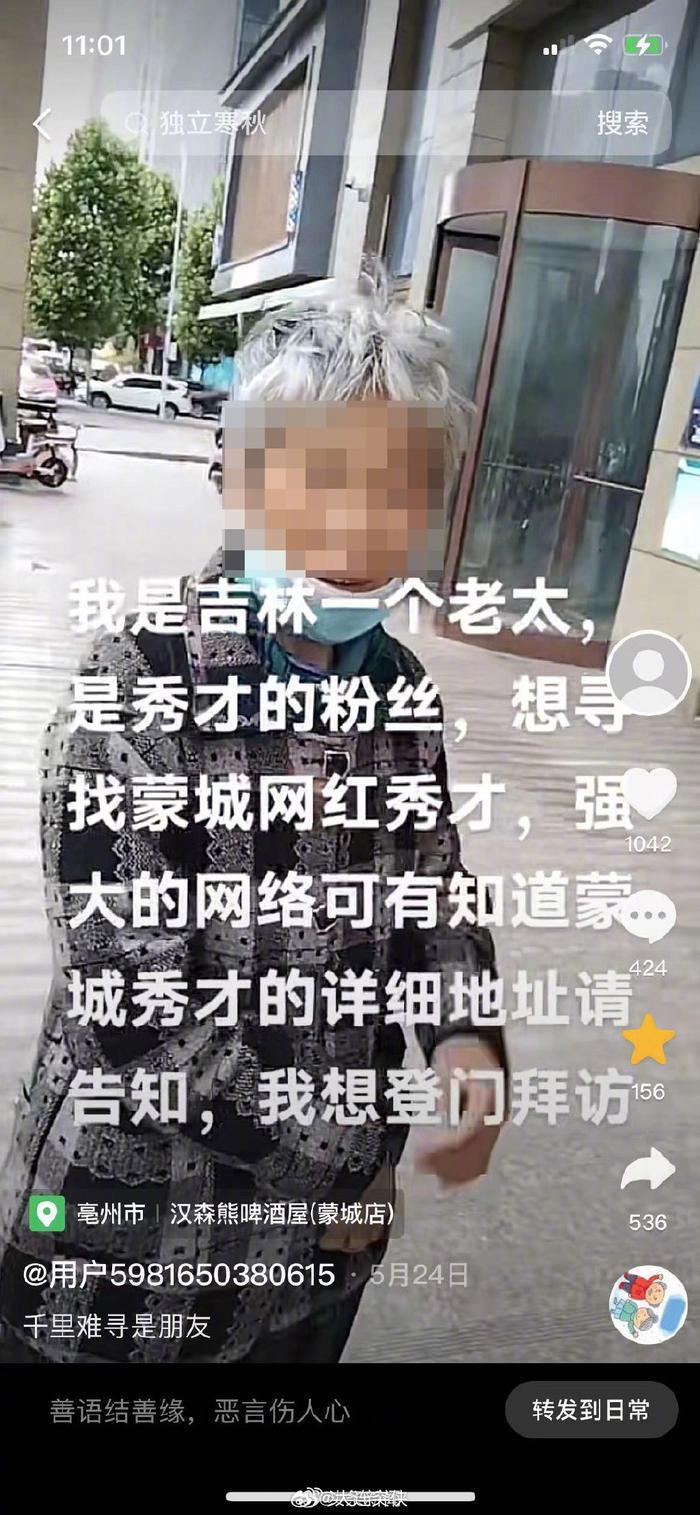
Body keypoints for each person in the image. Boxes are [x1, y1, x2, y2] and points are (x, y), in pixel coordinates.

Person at [0, 265, 507, 1364]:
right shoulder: (134, 689)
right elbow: (138, 1021)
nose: (359, 527)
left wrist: (466, 1030)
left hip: (317, 1260)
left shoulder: (399, 688)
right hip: (135, 1256)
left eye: (400, 487)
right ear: (241, 479)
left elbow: (432, 886)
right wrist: (344, 1161)